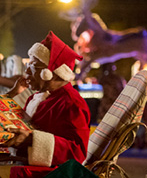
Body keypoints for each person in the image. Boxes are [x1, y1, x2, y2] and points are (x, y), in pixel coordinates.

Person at [5, 31, 90, 167]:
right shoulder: (34, 98)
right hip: (22, 166)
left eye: (33, 67)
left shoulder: (72, 103)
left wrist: (32, 139)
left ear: (52, 72)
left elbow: (78, 153)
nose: (26, 72)